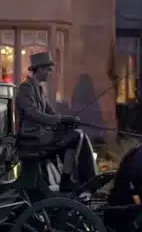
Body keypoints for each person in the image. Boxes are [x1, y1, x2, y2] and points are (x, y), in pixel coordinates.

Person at [15, 51, 97, 191]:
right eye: (48, 69)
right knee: (76, 136)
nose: (50, 73)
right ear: (39, 69)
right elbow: (33, 114)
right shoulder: (25, 88)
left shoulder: (39, 89)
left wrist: (68, 120)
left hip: (40, 135)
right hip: (32, 138)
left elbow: (50, 111)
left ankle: (83, 177)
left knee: (76, 133)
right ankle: (68, 179)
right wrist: (61, 119)